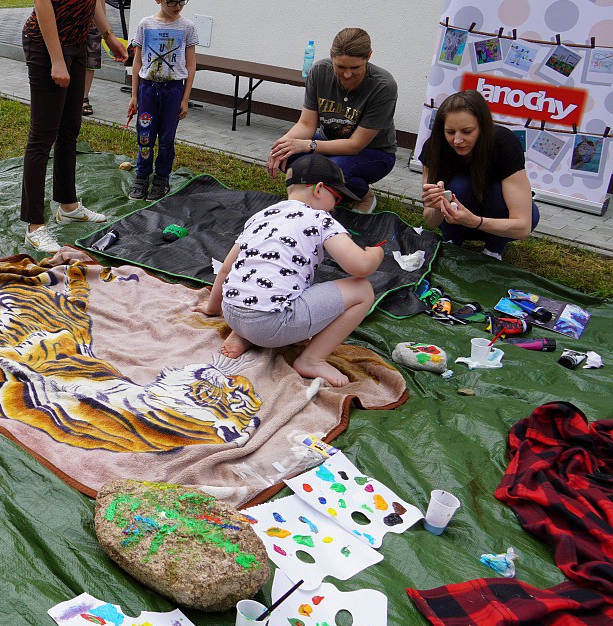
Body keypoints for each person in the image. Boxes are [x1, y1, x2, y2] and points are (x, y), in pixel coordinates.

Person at [20, 0, 132, 254]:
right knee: (43, 136)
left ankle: (67, 206)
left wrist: (109, 36)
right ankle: (34, 223)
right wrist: (55, 58)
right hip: (46, 42)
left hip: (76, 40)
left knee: (70, 130)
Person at [199, 155, 385, 387]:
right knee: (363, 290)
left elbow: (226, 269)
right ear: (318, 189)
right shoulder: (319, 218)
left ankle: (244, 334)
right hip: (272, 323)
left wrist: (212, 307)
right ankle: (312, 359)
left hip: (231, 313)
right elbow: (360, 267)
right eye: (336, 198)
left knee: (266, 290)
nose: (335, 206)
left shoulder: (261, 216)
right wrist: (374, 255)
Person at [266, 28, 398, 213]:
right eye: (341, 67)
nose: (347, 75)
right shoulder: (319, 72)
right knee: (290, 158)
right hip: (328, 143)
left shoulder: (383, 86)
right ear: (331, 55)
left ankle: (363, 194)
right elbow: (306, 124)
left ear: (368, 57)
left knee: (335, 170)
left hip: (374, 152)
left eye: (355, 68)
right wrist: (283, 145)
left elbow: (355, 145)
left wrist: (308, 146)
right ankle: (333, 189)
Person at [418, 89, 540, 259]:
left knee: (498, 192)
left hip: (492, 220)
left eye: (467, 131)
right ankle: (452, 240)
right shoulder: (434, 148)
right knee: (456, 187)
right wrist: (437, 206)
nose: (457, 140)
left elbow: (523, 227)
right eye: (450, 132)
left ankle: (494, 249)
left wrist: (475, 221)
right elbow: (431, 220)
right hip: (457, 221)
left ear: (483, 127)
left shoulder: (504, 144)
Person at [126, 0, 198, 200]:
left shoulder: (187, 28)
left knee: (167, 138)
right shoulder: (145, 25)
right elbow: (137, 62)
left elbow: (191, 65)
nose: (177, 5)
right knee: (145, 135)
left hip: (173, 91)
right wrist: (135, 95)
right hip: (148, 89)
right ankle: (142, 176)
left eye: (181, 0)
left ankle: (161, 178)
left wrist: (185, 98)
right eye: (171, 1)